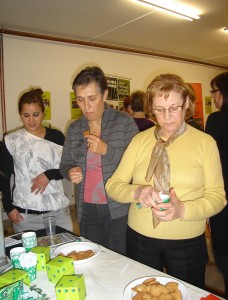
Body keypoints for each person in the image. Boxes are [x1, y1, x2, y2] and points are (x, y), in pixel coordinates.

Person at [106, 73, 226, 288]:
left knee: (186, 292)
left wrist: (182, 210)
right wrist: (137, 192)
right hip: (140, 237)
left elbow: (218, 198)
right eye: (160, 110)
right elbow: (113, 185)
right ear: (152, 108)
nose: (167, 116)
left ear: (186, 104)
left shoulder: (204, 143)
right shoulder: (139, 141)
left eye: (174, 108)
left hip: (187, 241)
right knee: (142, 292)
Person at [60, 66, 138, 254]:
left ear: (104, 95)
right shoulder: (74, 128)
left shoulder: (124, 122)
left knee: (121, 261)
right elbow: (64, 165)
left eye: (92, 99)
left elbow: (139, 166)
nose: (86, 107)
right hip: (86, 209)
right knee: (92, 259)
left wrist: (106, 150)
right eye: (80, 100)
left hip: (119, 208)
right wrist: (69, 172)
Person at [0, 88, 73, 233]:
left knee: (67, 252)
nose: (31, 120)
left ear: (43, 114)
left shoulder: (57, 137)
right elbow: (3, 176)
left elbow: (69, 168)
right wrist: (8, 207)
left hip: (58, 212)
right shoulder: (12, 140)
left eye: (36, 114)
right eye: (26, 115)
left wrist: (49, 174)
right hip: (25, 216)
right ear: (20, 115)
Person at [205, 72, 228, 298]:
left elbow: (207, 161)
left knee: (224, 257)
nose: (213, 96)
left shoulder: (216, 120)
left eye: (214, 91)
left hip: (223, 199)